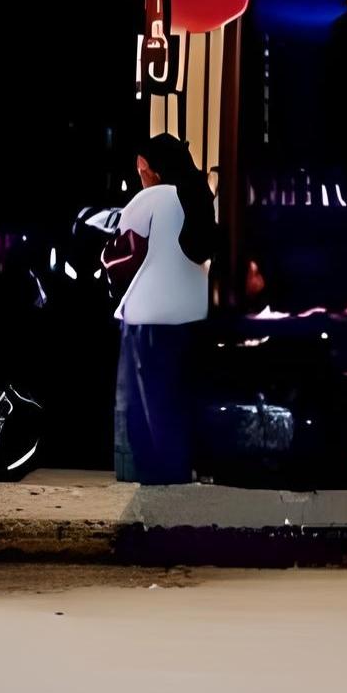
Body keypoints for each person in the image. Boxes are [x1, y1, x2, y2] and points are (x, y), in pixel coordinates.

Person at [85, 133, 217, 485]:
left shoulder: (152, 198)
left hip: (149, 318)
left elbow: (120, 254)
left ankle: (157, 477)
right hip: (194, 314)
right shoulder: (200, 195)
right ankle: (186, 470)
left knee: (146, 406)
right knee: (181, 398)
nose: (140, 177)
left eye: (142, 171)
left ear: (155, 171)